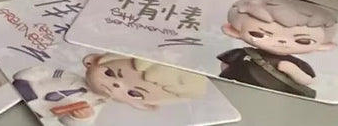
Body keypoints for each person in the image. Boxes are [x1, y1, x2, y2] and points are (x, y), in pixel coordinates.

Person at [13, 53, 206, 124]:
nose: (116, 84)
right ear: (92, 61)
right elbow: (41, 72)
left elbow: (69, 122)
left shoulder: (94, 105)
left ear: (144, 105)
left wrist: (82, 118)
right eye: (110, 73)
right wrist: (25, 80)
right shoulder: (66, 75)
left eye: (133, 93)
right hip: (20, 92)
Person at [219, 0, 338, 99]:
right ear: (234, 31)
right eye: (259, 34)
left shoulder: (297, 64)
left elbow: (307, 81)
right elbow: (225, 65)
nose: (282, 41)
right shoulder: (242, 53)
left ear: (323, 45)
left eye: (303, 41)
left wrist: (293, 71)